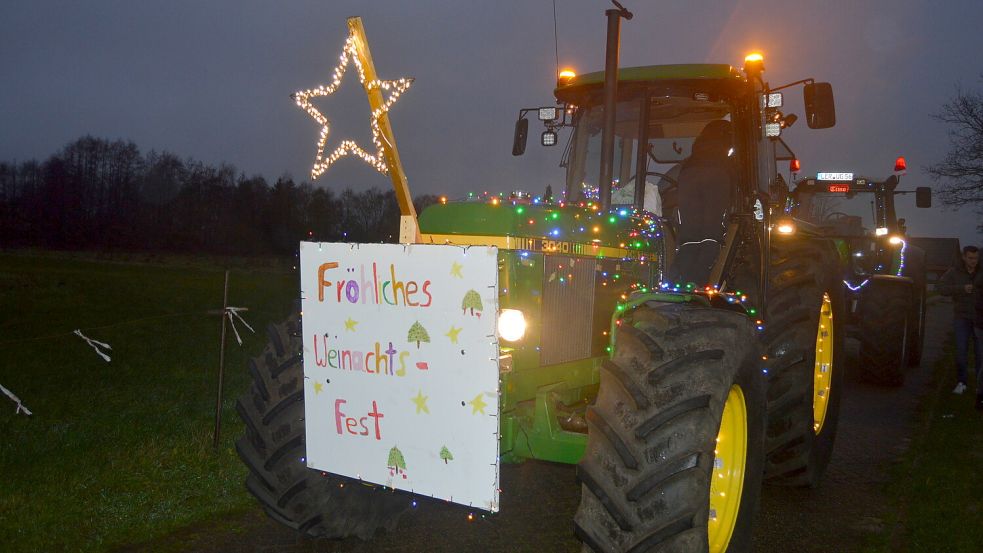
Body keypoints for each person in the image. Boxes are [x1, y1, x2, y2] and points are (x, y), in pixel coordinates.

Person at [938, 245, 982, 395]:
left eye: (976, 258)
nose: (973, 261)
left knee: (980, 354)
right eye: (970, 258)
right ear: (964, 257)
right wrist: (961, 288)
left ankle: (979, 386)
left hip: (979, 319)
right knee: (961, 352)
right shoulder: (954, 272)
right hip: (962, 317)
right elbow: (941, 288)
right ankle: (962, 382)